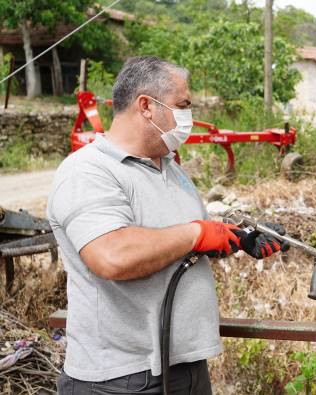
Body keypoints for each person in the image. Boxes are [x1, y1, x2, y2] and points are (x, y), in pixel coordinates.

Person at [48, 56, 288, 394]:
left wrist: (239, 240)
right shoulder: (87, 171)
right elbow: (112, 255)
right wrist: (197, 232)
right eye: (183, 105)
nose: (189, 116)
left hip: (183, 368)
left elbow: (175, 245)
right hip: (120, 379)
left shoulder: (170, 169)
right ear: (146, 106)